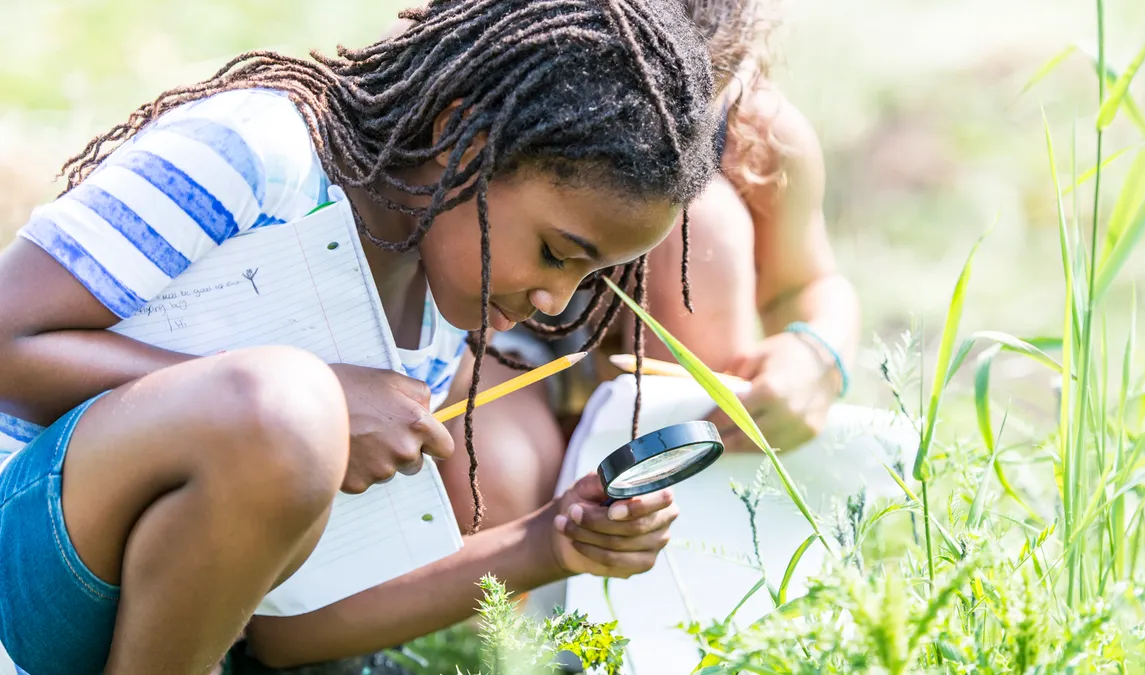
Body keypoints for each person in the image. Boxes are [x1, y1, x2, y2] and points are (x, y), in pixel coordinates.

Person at [0, 1, 720, 673]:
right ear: (462, 139)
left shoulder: (435, 323)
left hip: (133, 630)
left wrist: (549, 540)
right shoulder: (262, 150)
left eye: (588, 277)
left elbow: (286, 628)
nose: (552, 300)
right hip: (24, 556)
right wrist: (318, 405)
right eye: (557, 253)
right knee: (285, 405)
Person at [436, 0, 861, 535]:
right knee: (493, 478)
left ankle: (678, 528)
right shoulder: (482, 57)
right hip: (492, 343)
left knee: (703, 226)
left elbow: (808, 283)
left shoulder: (758, 132)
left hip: (652, 369)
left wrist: (816, 354)